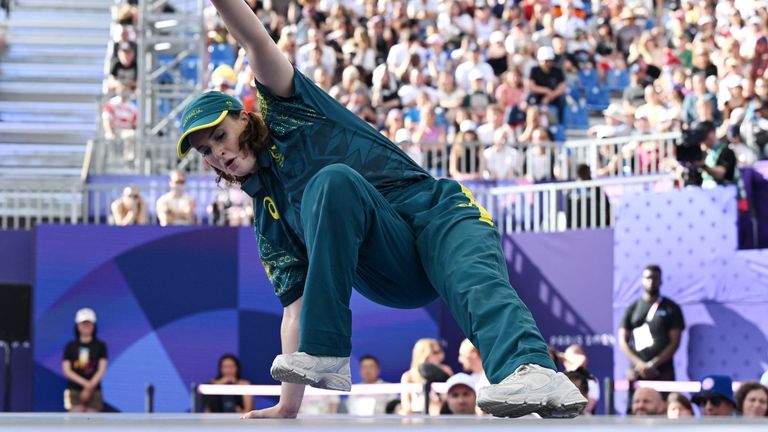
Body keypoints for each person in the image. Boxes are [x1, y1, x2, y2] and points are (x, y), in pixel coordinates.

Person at [176, 0, 586, 419]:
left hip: (438, 215)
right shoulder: (269, 216)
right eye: (207, 151)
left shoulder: (289, 109)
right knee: (333, 182)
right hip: (390, 265)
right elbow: (294, 309)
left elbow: (254, 39)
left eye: (220, 135)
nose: (218, 153)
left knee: (471, 279)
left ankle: (535, 373)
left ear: (245, 118)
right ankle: (328, 351)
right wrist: (288, 405)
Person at [619, 265, 685, 382]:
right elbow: (623, 341)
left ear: (661, 281)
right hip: (637, 371)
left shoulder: (671, 308)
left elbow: (675, 342)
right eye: (648, 278)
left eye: (655, 278)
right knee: (638, 400)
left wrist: (653, 364)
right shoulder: (632, 308)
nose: (651, 281)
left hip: (663, 371)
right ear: (642, 280)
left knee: (664, 400)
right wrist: (639, 364)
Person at [61, 308, 108, 412]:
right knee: (75, 423)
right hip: (74, 390)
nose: (86, 326)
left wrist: (89, 388)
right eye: (83, 323)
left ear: (94, 325)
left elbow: (102, 369)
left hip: (94, 391)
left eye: (89, 323)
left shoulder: (100, 346)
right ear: (77, 326)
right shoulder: (70, 346)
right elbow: (67, 370)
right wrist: (85, 384)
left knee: (92, 423)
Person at [400, 338, 453, 415]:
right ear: (423, 354)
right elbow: (406, 404)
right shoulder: (408, 376)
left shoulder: (446, 371)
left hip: (441, 416)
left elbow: (453, 396)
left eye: (440, 351)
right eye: (435, 352)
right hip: (417, 417)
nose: (440, 355)